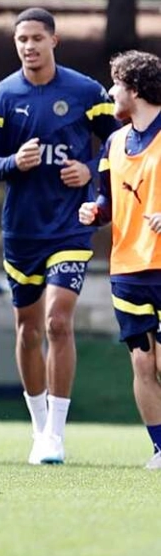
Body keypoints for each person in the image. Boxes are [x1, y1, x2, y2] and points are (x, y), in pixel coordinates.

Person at [0, 8, 117, 465]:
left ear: (54, 41)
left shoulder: (86, 92)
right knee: (29, 329)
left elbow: (124, 146)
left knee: (58, 322)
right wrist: (12, 163)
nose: (29, 46)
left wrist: (92, 172)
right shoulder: (1, 97)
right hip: (22, 231)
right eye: (22, 39)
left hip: (71, 227)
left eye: (37, 38)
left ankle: (56, 433)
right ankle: (39, 428)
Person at [78, 50, 161, 470]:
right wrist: (94, 211)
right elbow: (106, 198)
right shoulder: (113, 142)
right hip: (127, 268)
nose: (111, 92)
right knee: (142, 362)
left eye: (116, 85)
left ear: (136, 89)